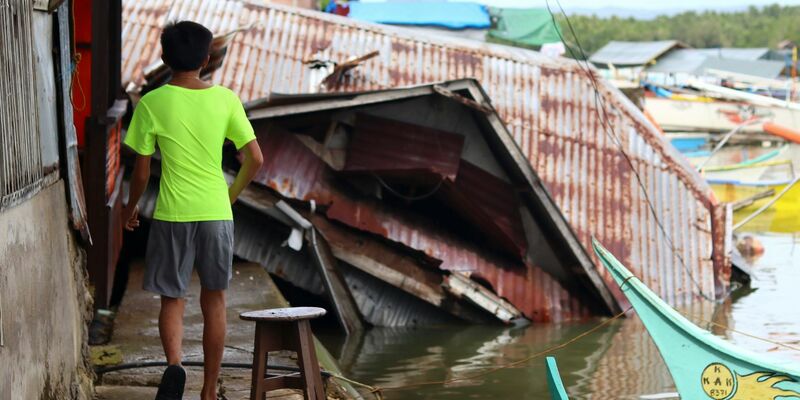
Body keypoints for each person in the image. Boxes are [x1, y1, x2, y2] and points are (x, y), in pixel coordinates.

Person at [121, 20, 263, 400]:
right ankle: (209, 392)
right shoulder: (226, 99)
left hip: (172, 214)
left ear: (165, 57)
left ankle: (175, 366)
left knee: (173, 298)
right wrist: (229, 196)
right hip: (216, 212)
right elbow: (255, 158)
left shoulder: (152, 103)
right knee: (214, 299)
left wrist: (130, 209)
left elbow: (142, 169)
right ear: (207, 59)